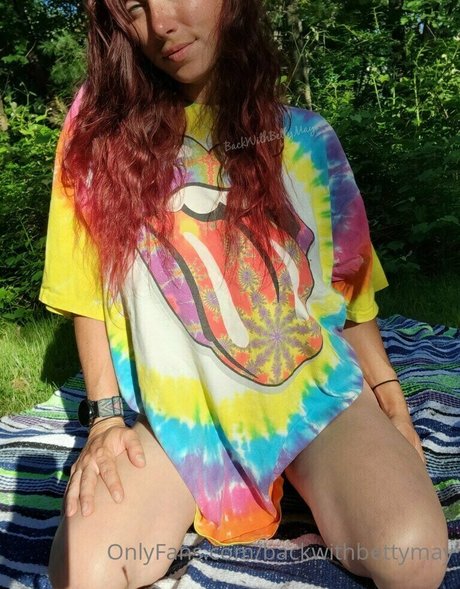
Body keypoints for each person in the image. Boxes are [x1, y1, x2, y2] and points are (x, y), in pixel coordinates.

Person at [39, 1, 449, 588]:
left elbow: (351, 287)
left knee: (413, 557)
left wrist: (387, 392)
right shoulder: (100, 134)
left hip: (311, 397)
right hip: (179, 423)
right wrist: (105, 420)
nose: (161, 24)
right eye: (133, 7)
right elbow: (84, 286)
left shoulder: (307, 139)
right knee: (84, 570)